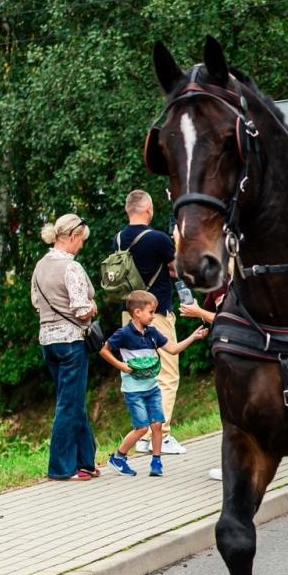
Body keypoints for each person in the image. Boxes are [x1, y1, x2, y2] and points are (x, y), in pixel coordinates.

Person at [101, 290, 209, 477]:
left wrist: (193, 337)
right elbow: (104, 350)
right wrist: (121, 365)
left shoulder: (152, 333)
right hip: (133, 390)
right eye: (151, 312)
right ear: (137, 312)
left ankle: (156, 462)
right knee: (142, 427)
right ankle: (118, 457)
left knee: (157, 424)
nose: (153, 316)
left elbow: (173, 349)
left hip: (152, 387)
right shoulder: (124, 333)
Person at [115, 190, 187, 454]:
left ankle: (144, 434)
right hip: (155, 314)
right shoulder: (158, 238)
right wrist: (177, 243)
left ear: (128, 210)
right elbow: (177, 269)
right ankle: (162, 436)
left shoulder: (119, 238)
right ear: (148, 210)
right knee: (167, 375)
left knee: (142, 374)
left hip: (130, 315)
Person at [30, 214, 99, 481]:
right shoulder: (71, 268)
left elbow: (37, 302)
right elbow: (82, 310)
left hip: (48, 341)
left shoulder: (40, 266)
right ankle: (61, 467)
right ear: (72, 237)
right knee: (68, 405)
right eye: (81, 240)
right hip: (71, 341)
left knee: (72, 401)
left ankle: (86, 461)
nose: (81, 246)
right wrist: (93, 307)